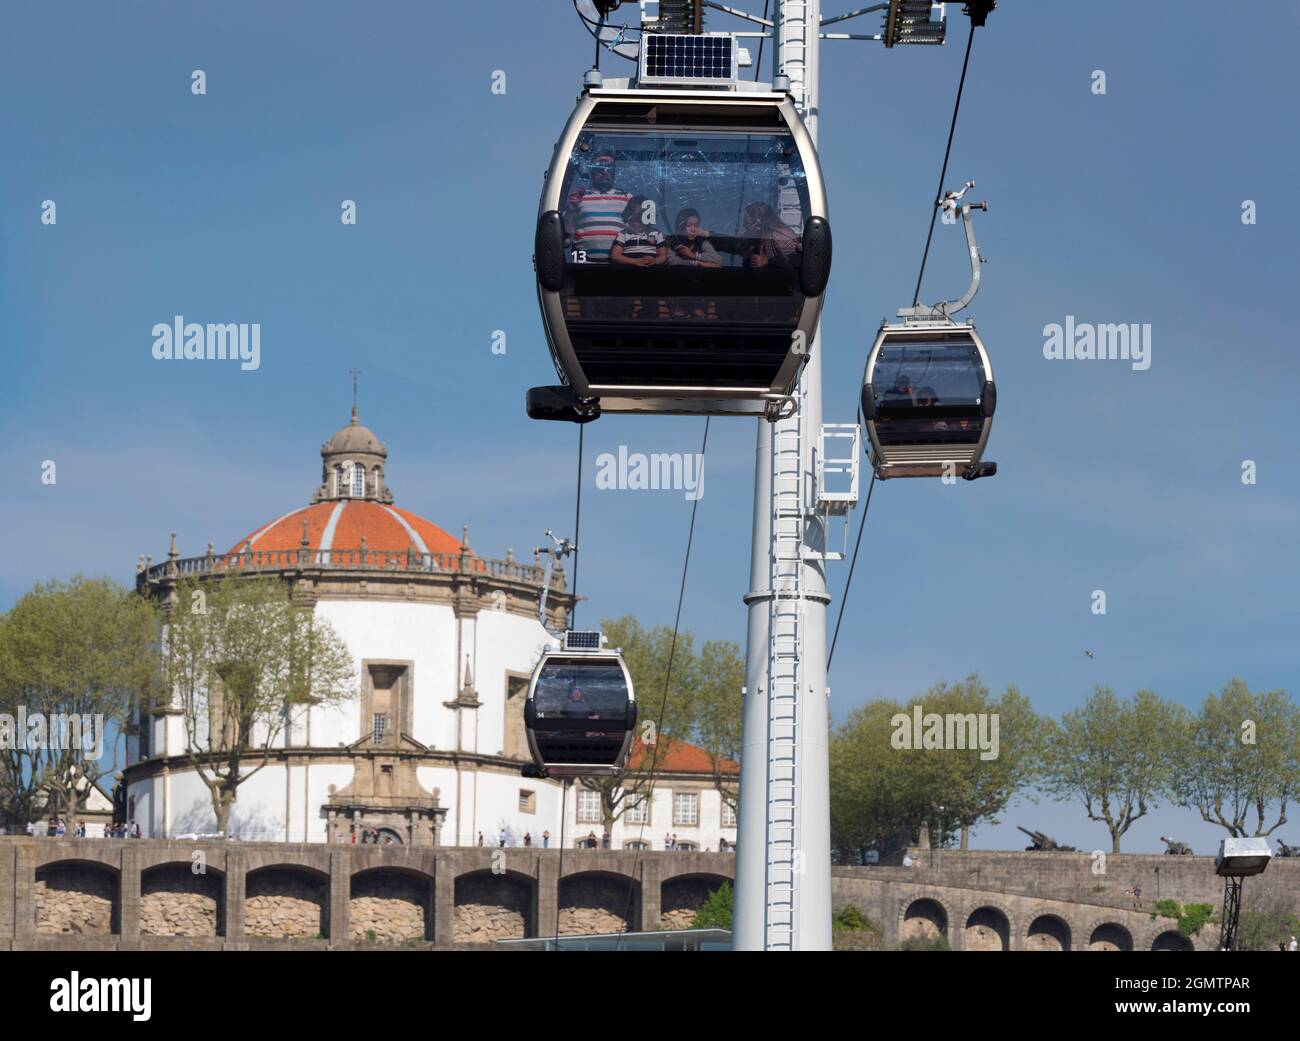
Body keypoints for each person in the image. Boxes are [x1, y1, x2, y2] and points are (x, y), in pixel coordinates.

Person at [563, 153, 632, 264]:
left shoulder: (627, 198)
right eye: (600, 166)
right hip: (584, 268)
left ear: (614, 172)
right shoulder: (579, 197)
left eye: (609, 167)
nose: (604, 171)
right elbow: (566, 237)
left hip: (620, 267)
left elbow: (639, 232)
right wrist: (570, 211)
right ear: (591, 170)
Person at [610, 196, 667, 268]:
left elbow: (663, 256)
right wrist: (635, 261)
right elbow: (615, 256)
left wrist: (655, 261)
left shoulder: (657, 234)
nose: (635, 224)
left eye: (639, 220)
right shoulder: (624, 234)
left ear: (648, 218)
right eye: (632, 220)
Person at [741, 202, 800, 270]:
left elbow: (795, 263)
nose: (745, 227)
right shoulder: (757, 240)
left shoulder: (780, 238)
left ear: (758, 225)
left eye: (747, 224)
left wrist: (766, 262)